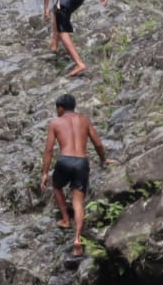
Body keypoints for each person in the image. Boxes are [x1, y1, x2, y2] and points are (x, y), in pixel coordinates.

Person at [40, 94, 112, 257]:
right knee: (78, 201)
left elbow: (49, 150)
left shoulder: (55, 123)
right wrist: (104, 159)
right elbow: (98, 143)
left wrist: (45, 173)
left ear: (60, 108)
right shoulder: (84, 120)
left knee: (56, 186)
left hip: (64, 160)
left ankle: (65, 219)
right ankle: (78, 239)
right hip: (81, 162)